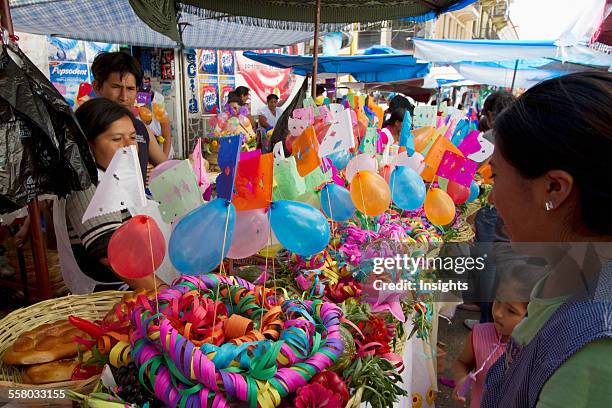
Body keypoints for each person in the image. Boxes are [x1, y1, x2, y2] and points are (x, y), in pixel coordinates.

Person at [481, 72, 612, 407]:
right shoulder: (568, 276)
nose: (491, 199)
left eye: (495, 175)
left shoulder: (595, 352)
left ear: (554, 188)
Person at [56, 98, 167, 293]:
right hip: (111, 297)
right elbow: (117, 257)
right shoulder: (87, 186)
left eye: (133, 137)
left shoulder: (113, 177)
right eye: (116, 139)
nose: (129, 146)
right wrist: (168, 295)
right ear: (88, 144)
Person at [464, 91, 517, 329]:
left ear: (491, 115)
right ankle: (494, 319)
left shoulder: (488, 137)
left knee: (487, 260)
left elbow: (466, 170)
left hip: (488, 205)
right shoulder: (519, 136)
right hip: (507, 206)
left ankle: (487, 322)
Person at [452, 266, 538, 407]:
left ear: (532, 317)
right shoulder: (478, 334)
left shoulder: (533, 351)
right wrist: (461, 379)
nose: (498, 313)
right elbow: (462, 363)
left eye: (511, 311)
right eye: (497, 301)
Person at [91, 51, 166, 183]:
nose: (124, 97)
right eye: (116, 87)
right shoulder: (84, 128)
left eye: (130, 89)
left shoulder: (141, 129)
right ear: (97, 87)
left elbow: (169, 169)